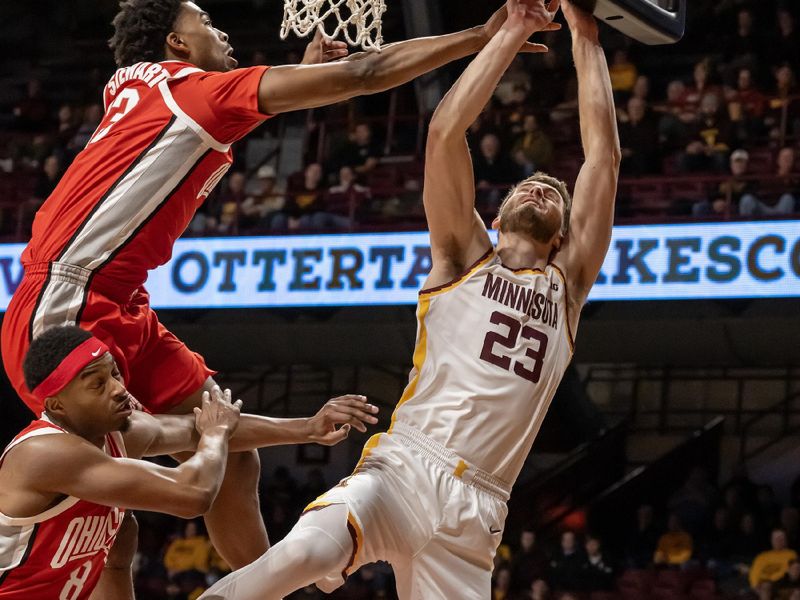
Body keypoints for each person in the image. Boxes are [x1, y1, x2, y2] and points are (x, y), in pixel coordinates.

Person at [0, 0, 542, 592]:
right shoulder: (190, 94)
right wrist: (483, 35)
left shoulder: (146, 93)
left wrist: (301, 76)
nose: (221, 28)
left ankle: (264, 589)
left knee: (229, 450)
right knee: (108, 494)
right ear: (176, 46)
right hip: (64, 300)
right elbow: (363, 74)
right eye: (205, 22)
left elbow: (190, 131)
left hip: (121, 300)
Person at [201, 0, 620, 597]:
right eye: (530, 183)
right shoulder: (462, 256)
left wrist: (585, 37)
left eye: (553, 192)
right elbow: (446, 131)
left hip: (477, 514)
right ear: (495, 217)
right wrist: (512, 32)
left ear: (562, 236)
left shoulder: (567, 287)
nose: (541, 186)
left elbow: (602, 157)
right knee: (294, 559)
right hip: (403, 471)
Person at [0, 325, 378, 600]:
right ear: (57, 405)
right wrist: (214, 435)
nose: (118, 388)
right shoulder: (44, 455)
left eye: (115, 373)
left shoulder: (120, 433)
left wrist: (307, 427)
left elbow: (199, 428)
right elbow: (193, 494)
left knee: (122, 538)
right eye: (96, 384)